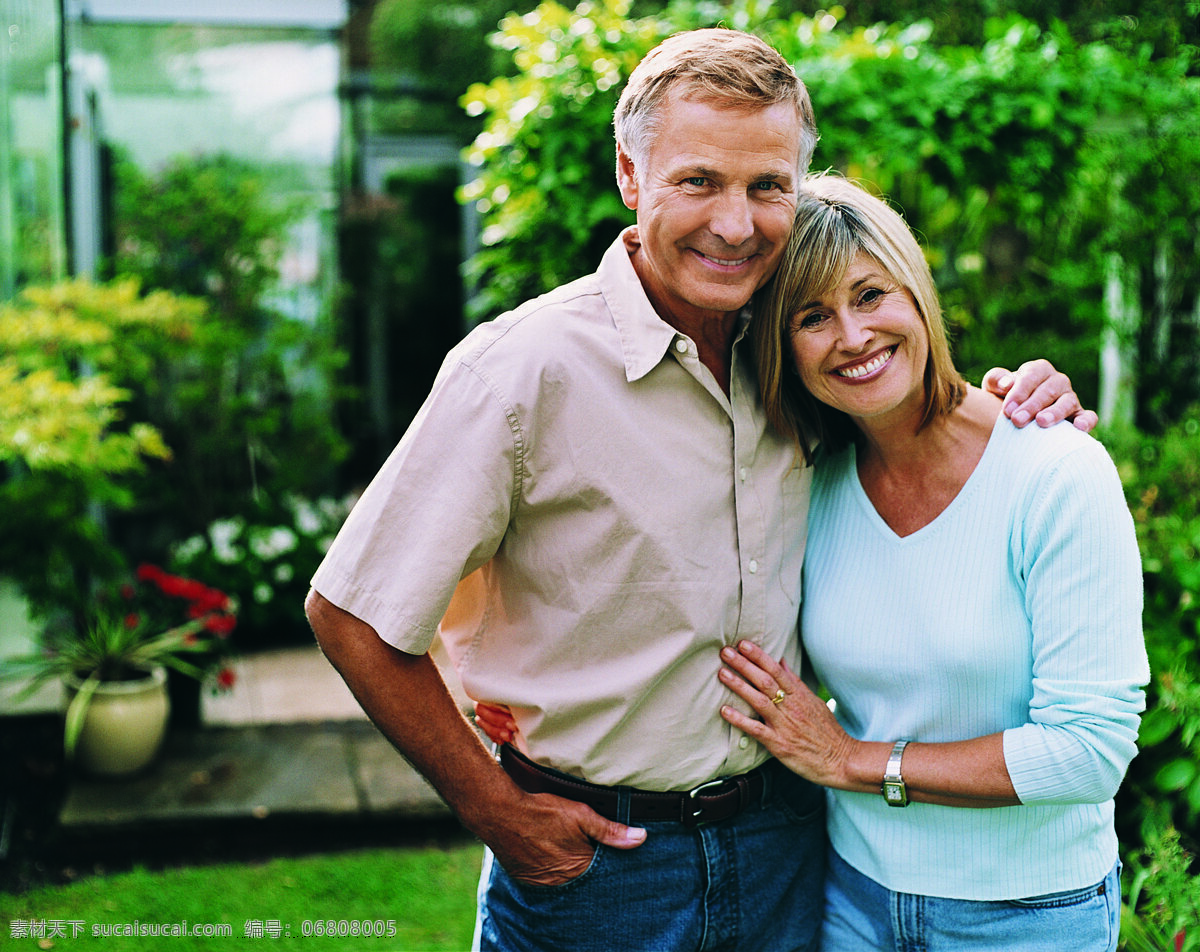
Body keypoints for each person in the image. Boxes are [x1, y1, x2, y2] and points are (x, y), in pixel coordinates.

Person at [305, 29, 1094, 952]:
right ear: (631, 178)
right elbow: (352, 614)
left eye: (767, 186)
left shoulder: (802, 352)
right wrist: (498, 812)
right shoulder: (520, 372)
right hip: (599, 867)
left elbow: (915, 403)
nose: (736, 222)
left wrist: (1019, 402)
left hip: (790, 850)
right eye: (697, 182)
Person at [714, 173, 1149, 951]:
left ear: (917, 294)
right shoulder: (808, 482)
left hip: (1027, 918)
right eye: (813, 316)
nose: (852, 336)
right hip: (850, 898)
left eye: (872, 294)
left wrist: (856, 761)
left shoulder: (1054, 474)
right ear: (784, 347)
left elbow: (1088, 754)